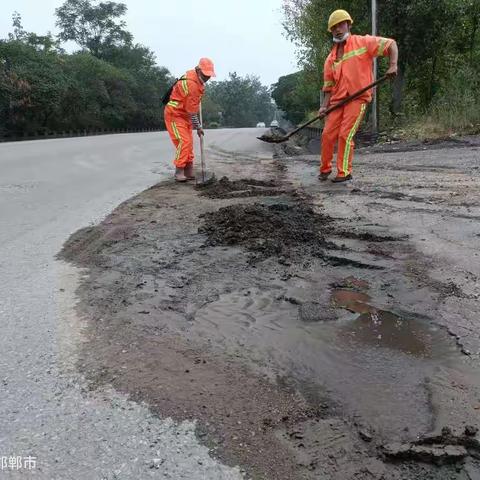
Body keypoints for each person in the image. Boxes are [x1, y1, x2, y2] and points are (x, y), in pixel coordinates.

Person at [319, 10, 398, 183]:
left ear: (348, 24)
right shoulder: (330, 59)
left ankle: (344, 172)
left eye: (340, 25)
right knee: (327, 135)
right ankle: (325, 169)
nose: (337, 30)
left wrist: (393, 65)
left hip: (357, 98)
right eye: (334, 28)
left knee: (344, 134)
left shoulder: (362, 42)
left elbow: (391, 44)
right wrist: (324, 107)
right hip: (337, 101)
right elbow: (328, 87)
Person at [164, 58, 216, 182]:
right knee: (184, 142)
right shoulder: (191, 84)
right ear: (198, 70)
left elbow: (192, 107)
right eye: (205, 75)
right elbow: (192, 112)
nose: (207, 78)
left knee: (189, 144)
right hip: (175, 114)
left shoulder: (197, 80)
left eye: (209, 75)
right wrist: (198, 127)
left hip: (185, 115)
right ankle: (179, 171)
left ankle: (189, 170)